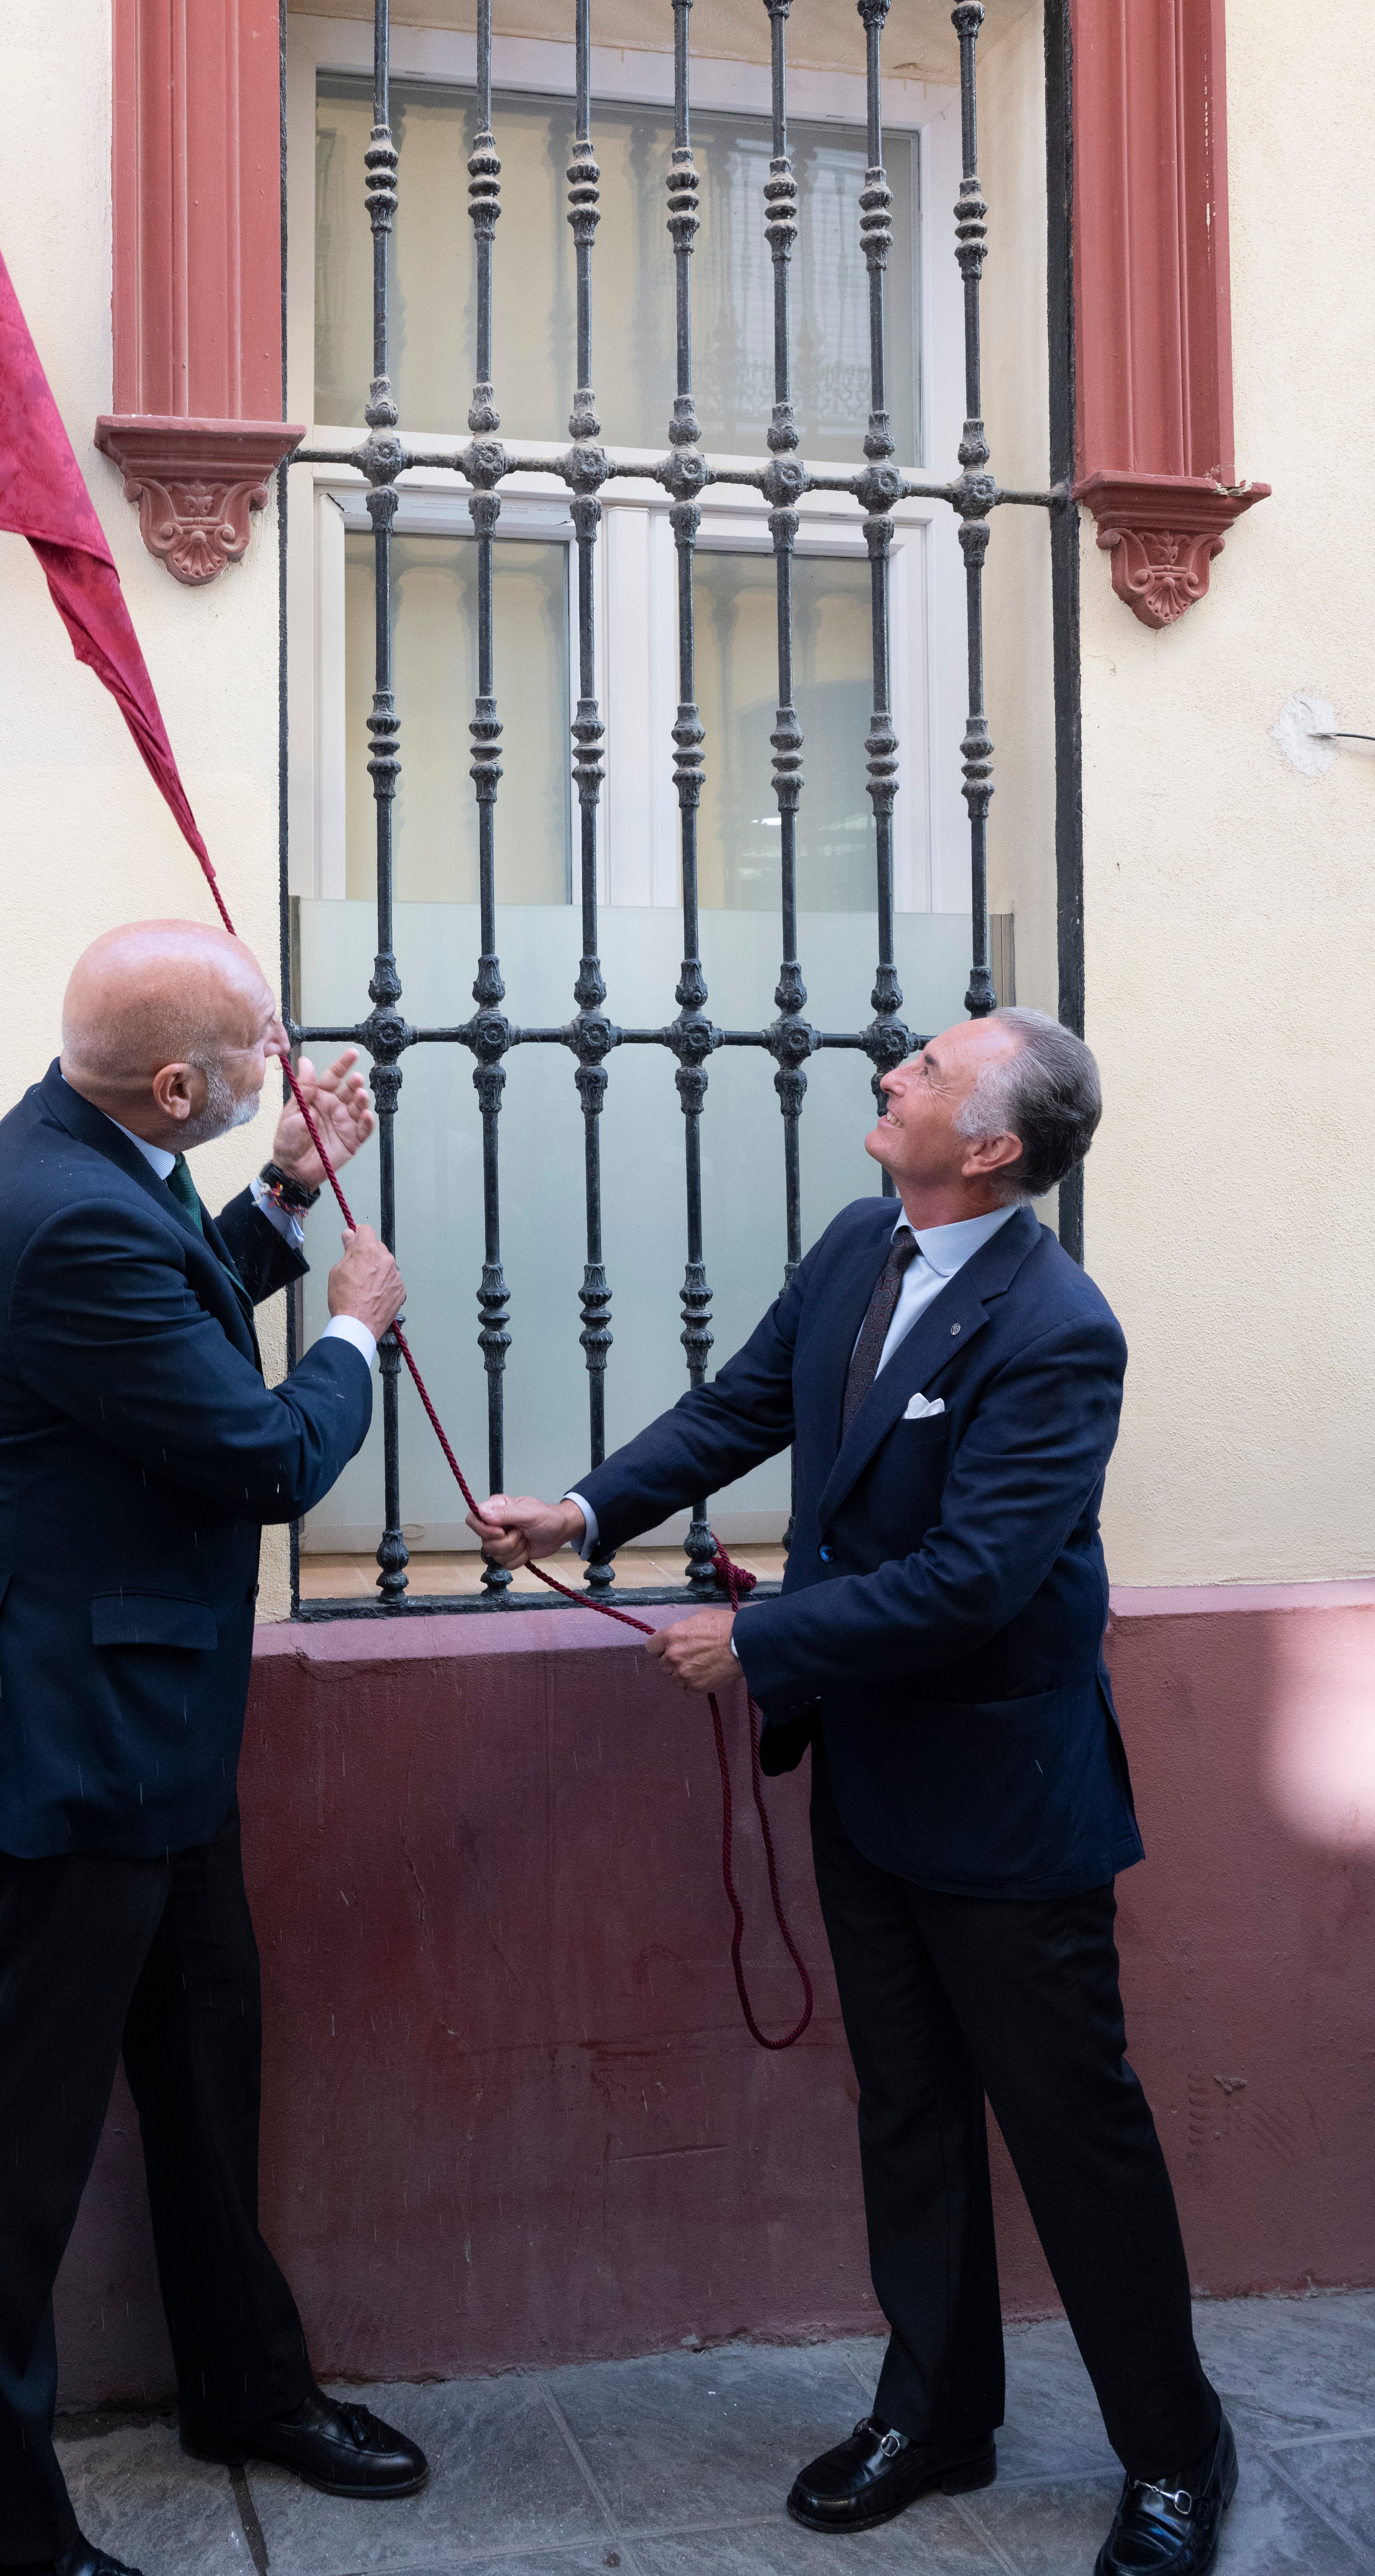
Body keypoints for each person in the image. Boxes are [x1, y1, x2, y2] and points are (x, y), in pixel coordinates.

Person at [471, 1010, 1235, 2576]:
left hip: (1008, 1807)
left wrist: (759, 1641)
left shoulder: (1056, 1328)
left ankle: (1173, 2451)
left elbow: (976, 1578)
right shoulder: (854, 1246)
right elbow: (741, 1406)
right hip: (872, 1779)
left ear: (993, 1147)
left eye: (930, 1072)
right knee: (906, 2111)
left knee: (1072, 2134)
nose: (893, 1073)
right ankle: (935, 2415)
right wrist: (583, 1509)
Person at [0, 920, 429, 2576]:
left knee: (207, 2074)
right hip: (76, 1749)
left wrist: (280, 1194)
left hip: (156, 1733)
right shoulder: (63, 1212)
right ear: (171, 1087)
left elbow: (169, 1314)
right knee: (17, 2162)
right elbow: (260, 1456)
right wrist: (352, 1330)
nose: (282, 1061)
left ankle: (244, 2389)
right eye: (256, 1050)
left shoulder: (91, 1154)